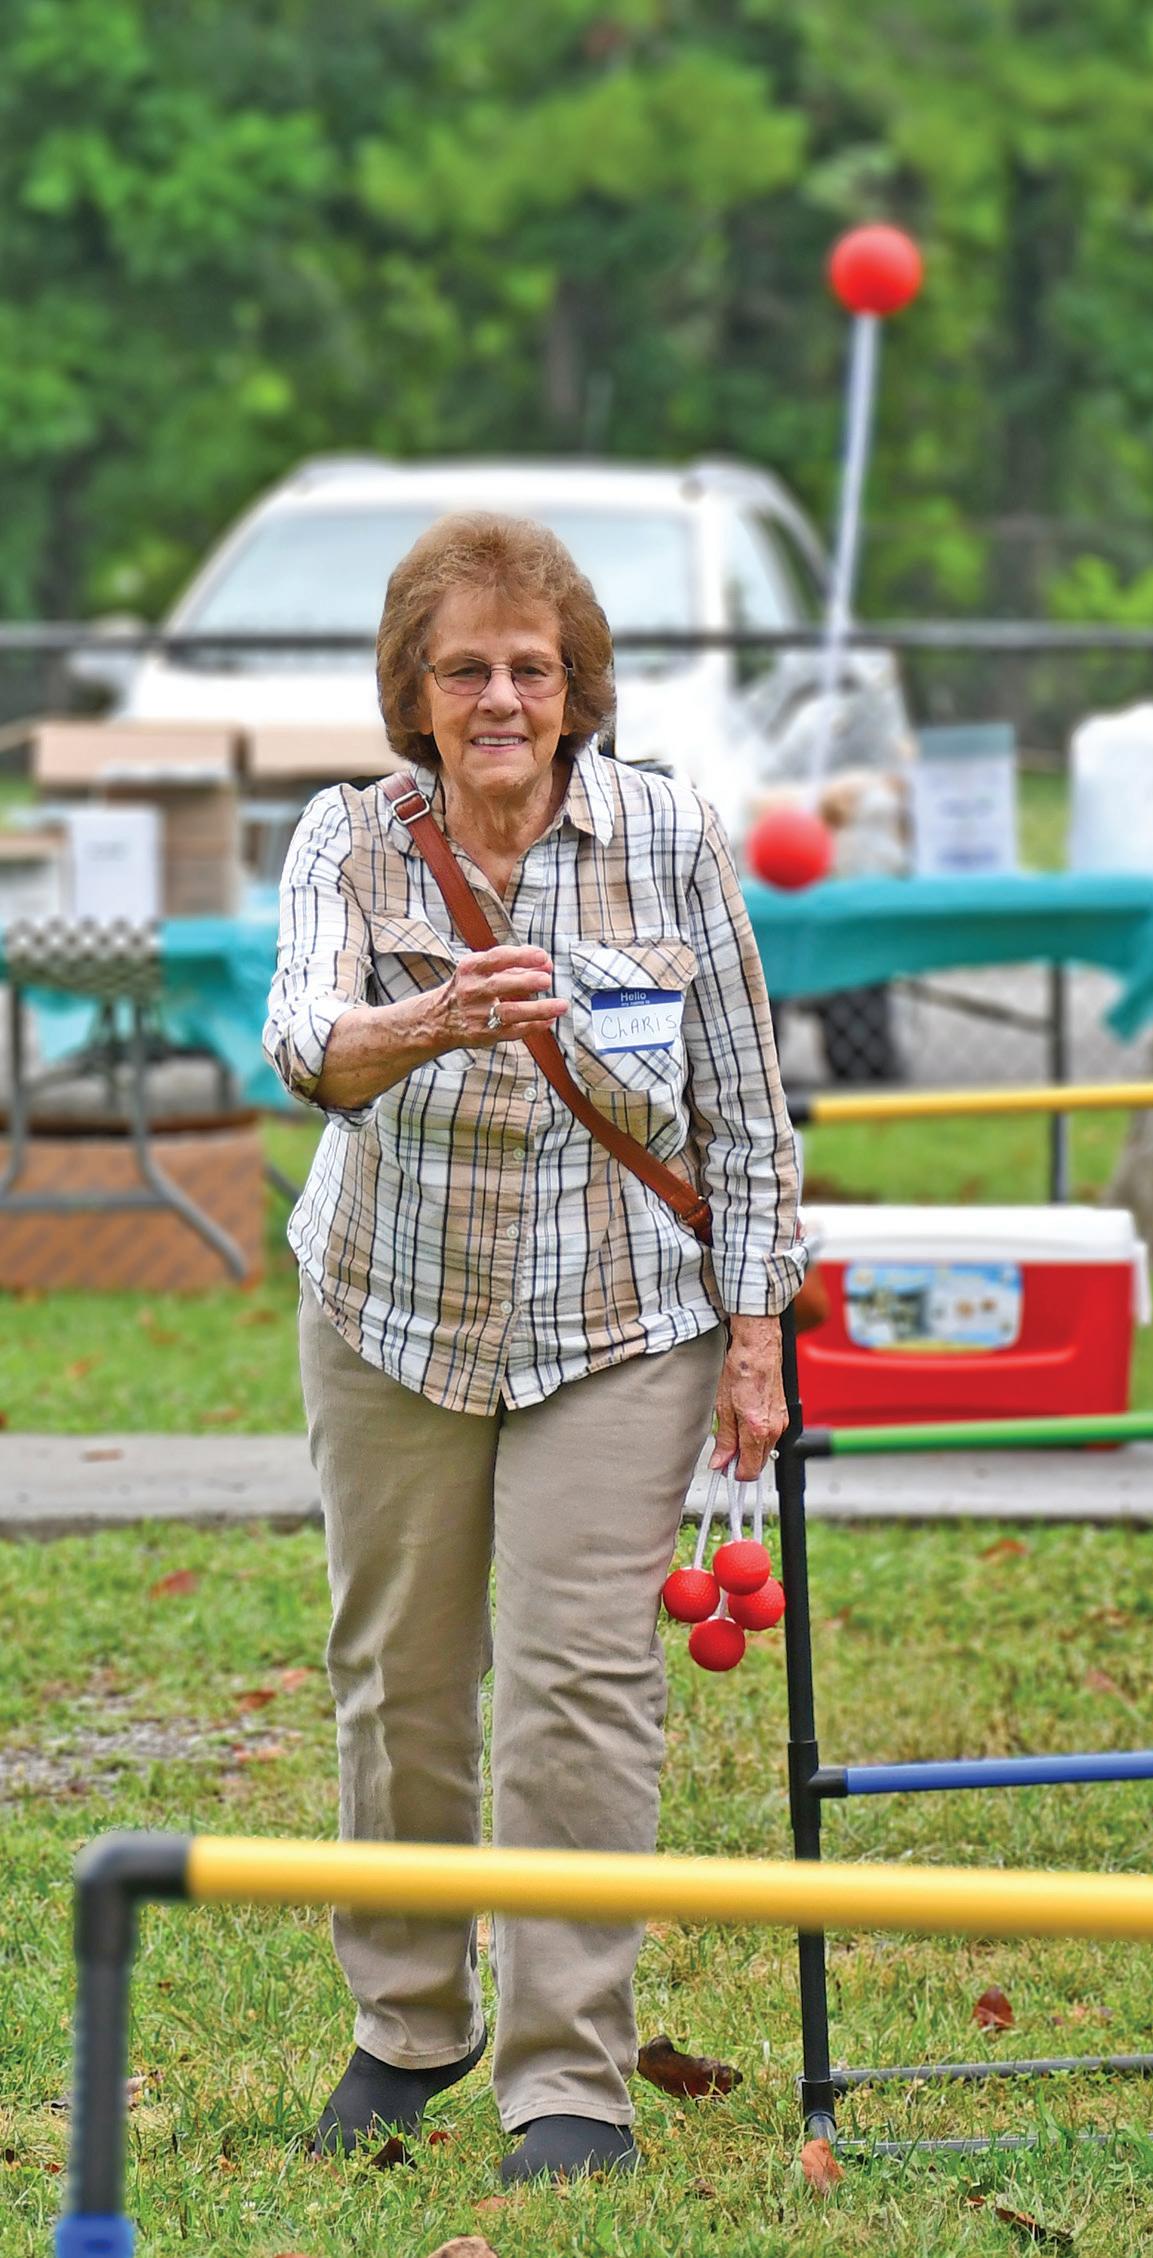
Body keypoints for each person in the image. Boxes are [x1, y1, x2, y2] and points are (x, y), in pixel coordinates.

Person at [263, 511, 804, 2185]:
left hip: (617, 1315)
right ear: (413, 694)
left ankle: (567, 2075)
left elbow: (745, 1103)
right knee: (399, 1672)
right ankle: (407, 2022)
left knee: (579, 1681)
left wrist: (758, 1333)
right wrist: (430, 1018)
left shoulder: (670, 835)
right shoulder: (351, 841)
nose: (499, 698)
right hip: (393, 1306)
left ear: (576, 689)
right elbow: (303, 1040)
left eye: (530, 669)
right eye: (464, 671)